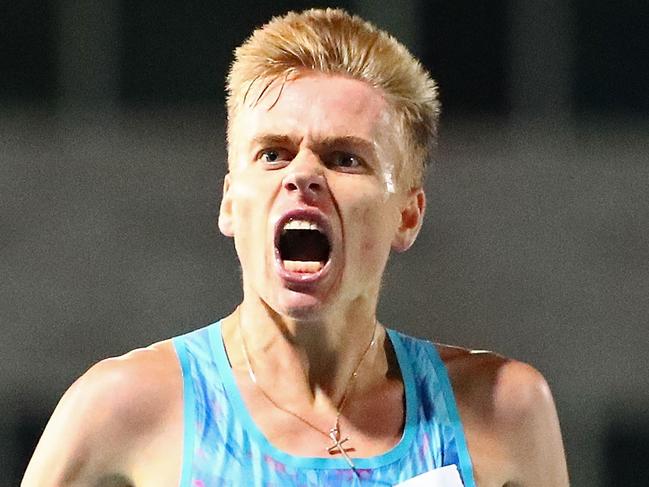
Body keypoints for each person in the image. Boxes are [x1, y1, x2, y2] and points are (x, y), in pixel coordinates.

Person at [22, 8, 569, 487]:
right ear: (231, 203)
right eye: (273, 154)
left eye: (344, 158)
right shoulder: (122, 408)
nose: (302, 174)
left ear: (407, 214)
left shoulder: (504, 410)